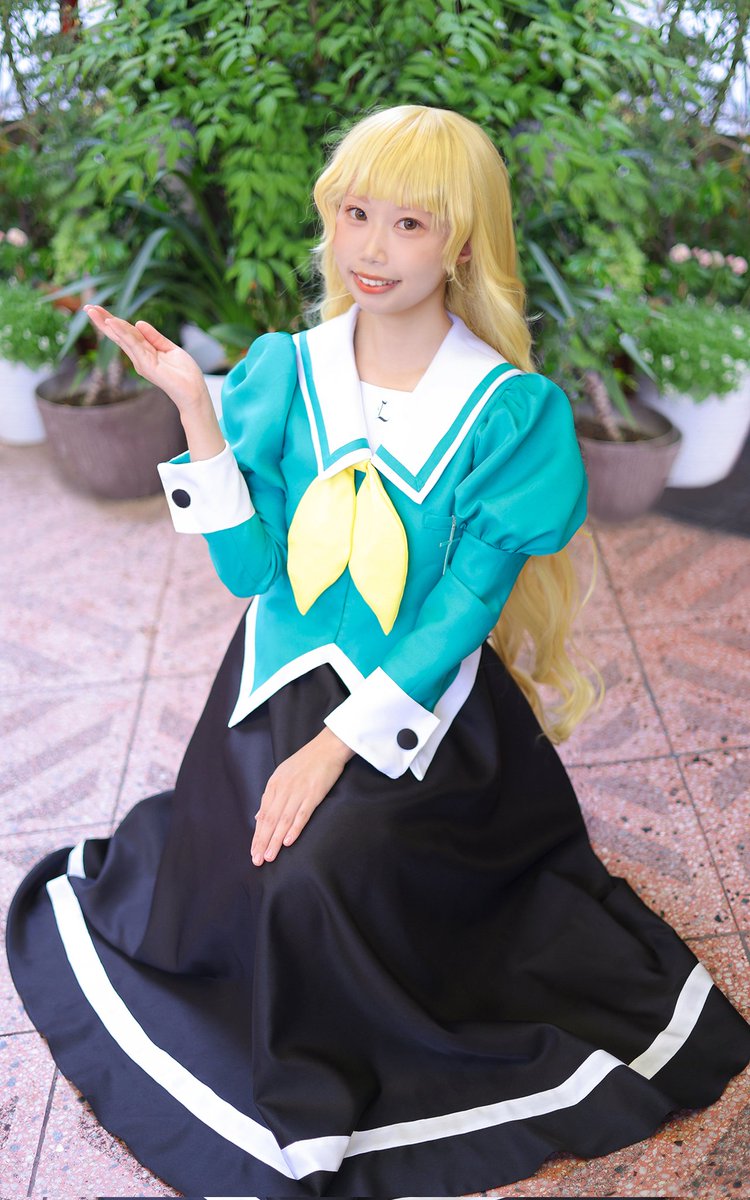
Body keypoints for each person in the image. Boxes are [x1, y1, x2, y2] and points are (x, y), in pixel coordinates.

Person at [6, 104, 750, 1198]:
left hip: (422, 711)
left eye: (409, 223)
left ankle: (325, 1075)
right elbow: (254, 575)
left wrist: (334, 750)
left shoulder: (509, 414)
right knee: (257, 869)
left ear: (462, 242)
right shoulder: (283, 372)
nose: (372, 247)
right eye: (356, 213)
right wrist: (197, 414)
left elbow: (461, 611)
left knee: (314, 877)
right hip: (272, 689)